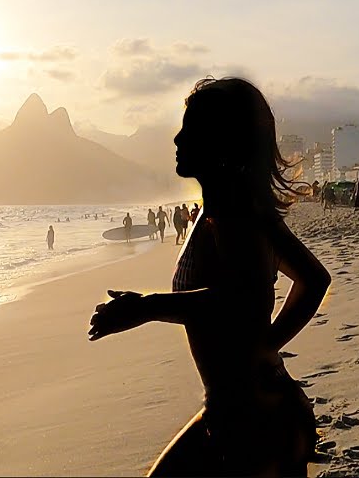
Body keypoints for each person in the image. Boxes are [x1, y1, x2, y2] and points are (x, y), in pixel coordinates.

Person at [89, 77, 329, 477]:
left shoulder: (234, 213)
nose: (178, 139)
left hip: (253, 421)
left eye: (191, 129)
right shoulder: (230, 207)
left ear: (220, 141)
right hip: (250, 408)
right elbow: (312, 279)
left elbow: (240, 298)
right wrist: (265, 345)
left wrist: (146, 307)